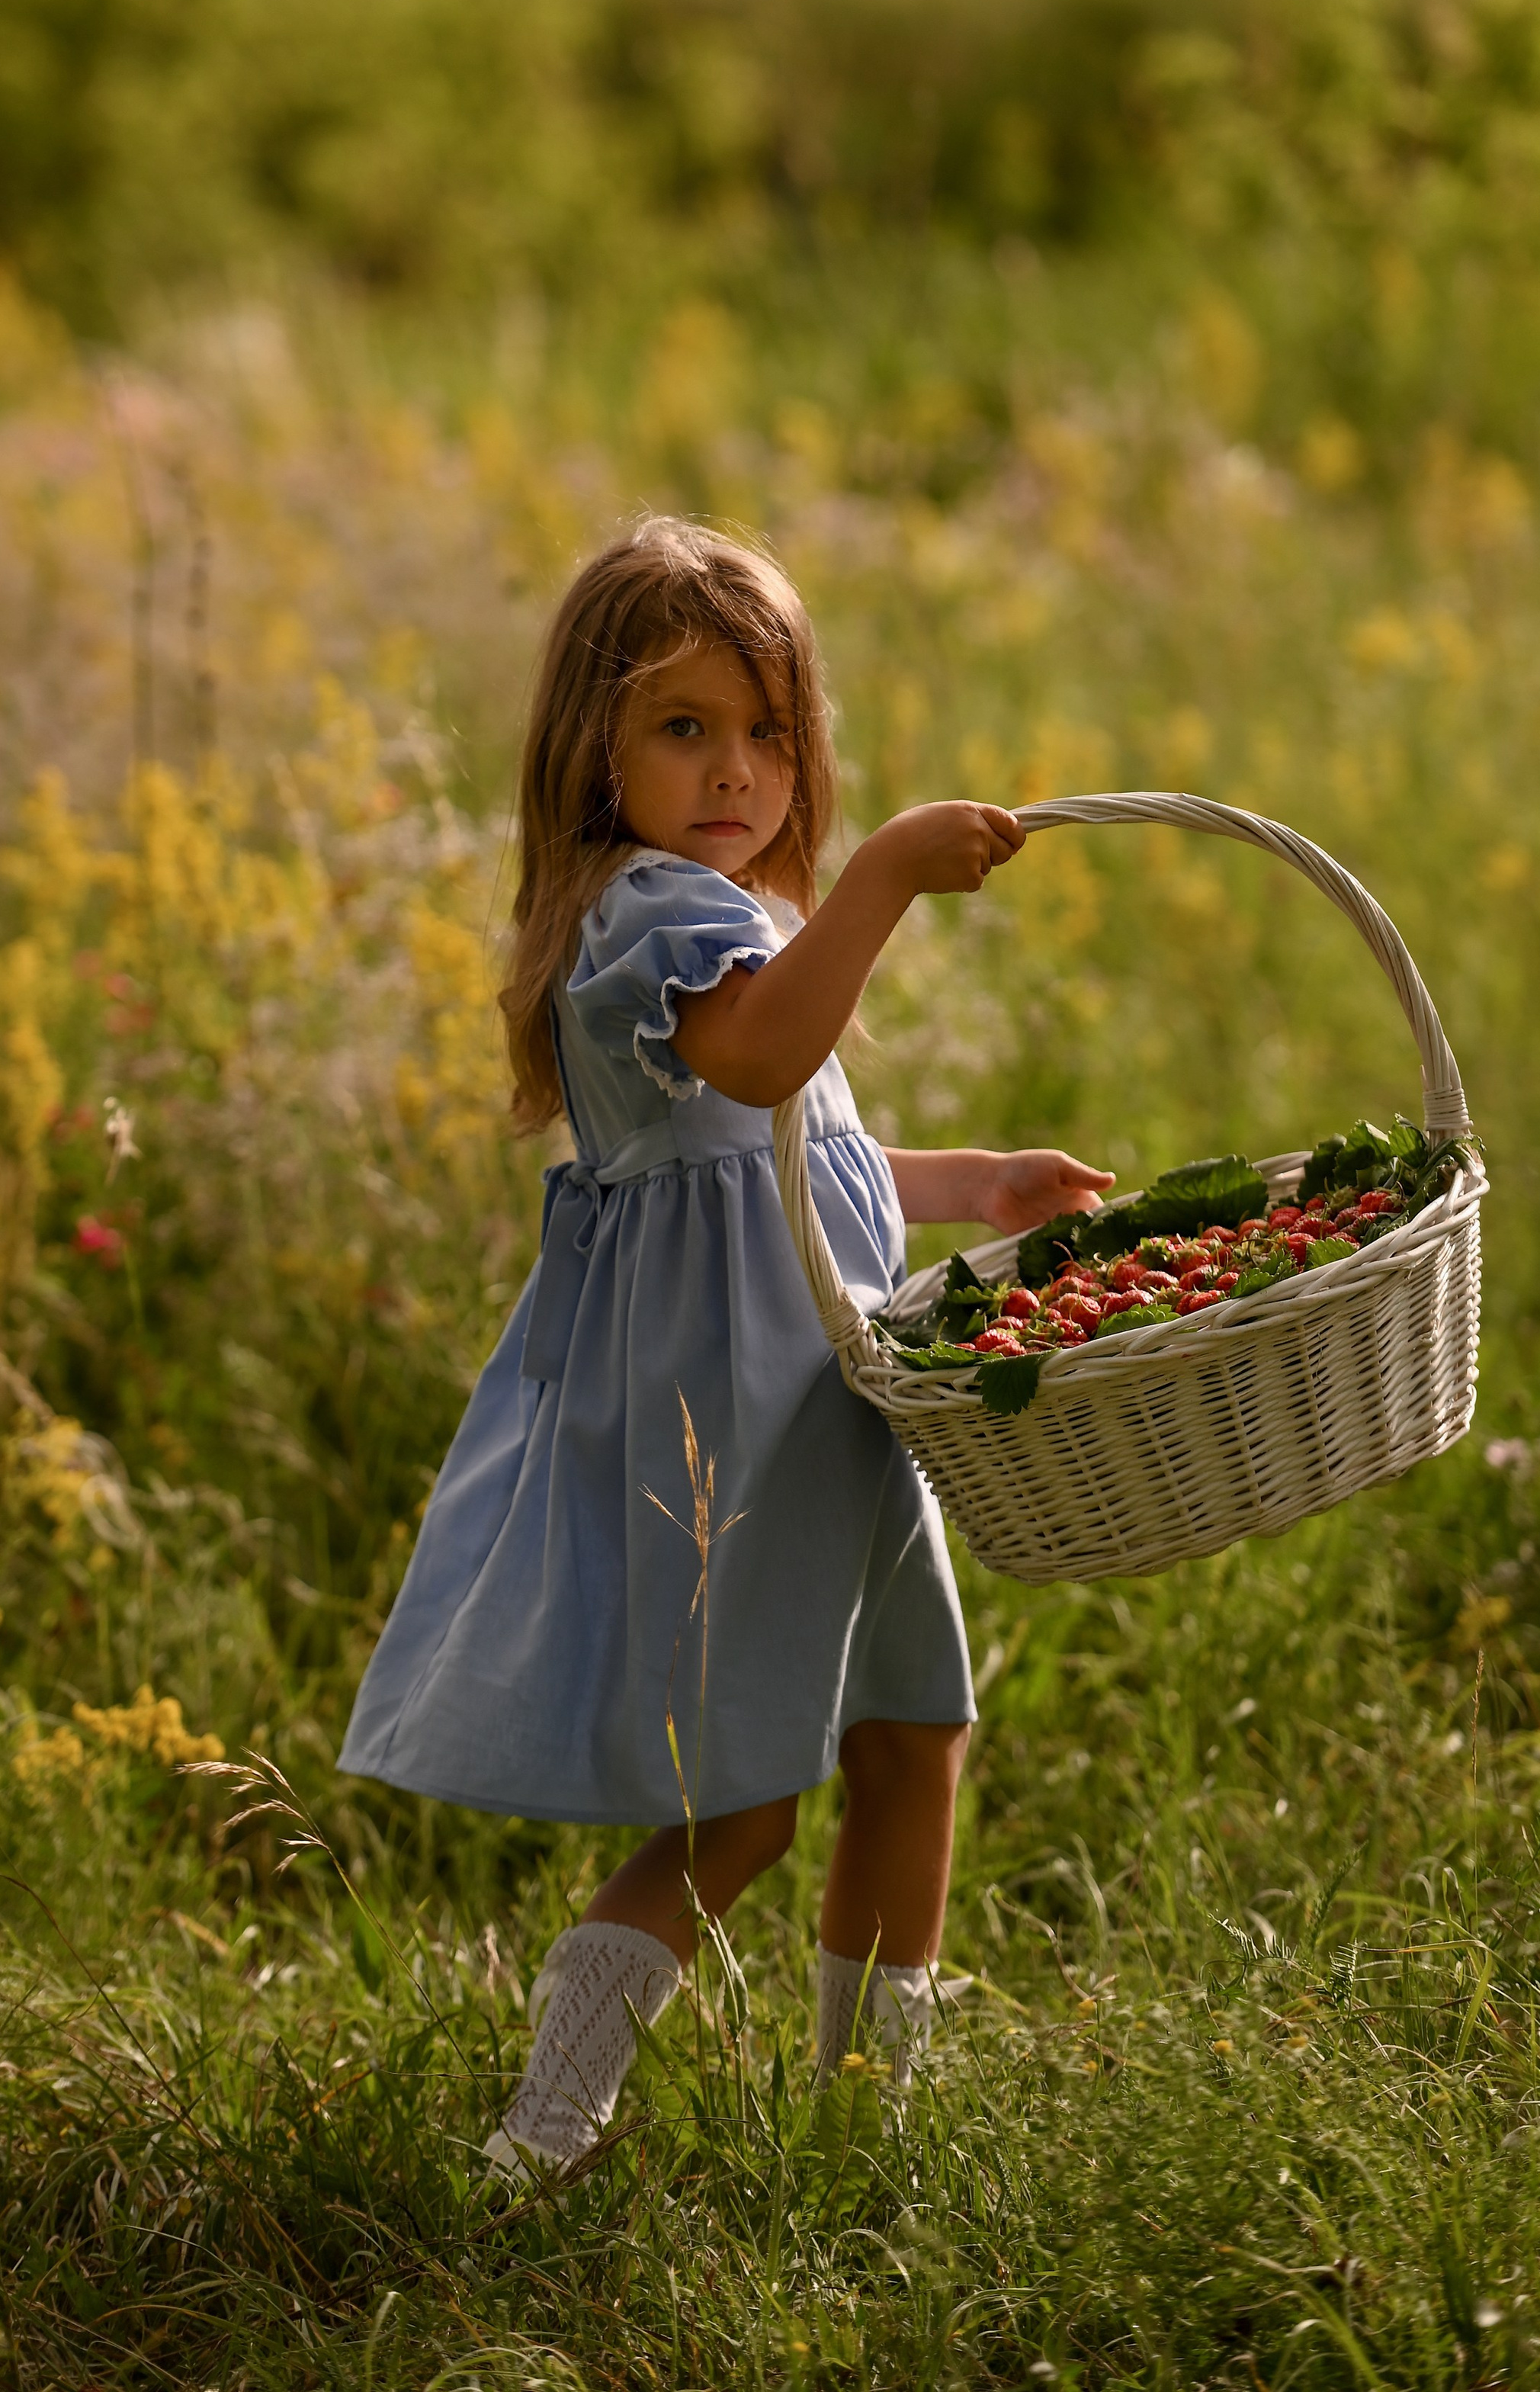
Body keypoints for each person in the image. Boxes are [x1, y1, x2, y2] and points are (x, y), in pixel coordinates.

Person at [338, 517, 1112, 2169]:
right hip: (733, 1416)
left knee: (915, 1732)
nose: (734, 769)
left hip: (840, 1395)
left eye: (767, 730)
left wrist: (968, 1183)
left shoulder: (735, 911)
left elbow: (787, 1145)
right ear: (590, 749)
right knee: (741, 1805)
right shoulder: (644, 919)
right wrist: (889, 871)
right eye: (683, 728)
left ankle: (865, 2129)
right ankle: (552, 2109)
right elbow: (758, 1066)